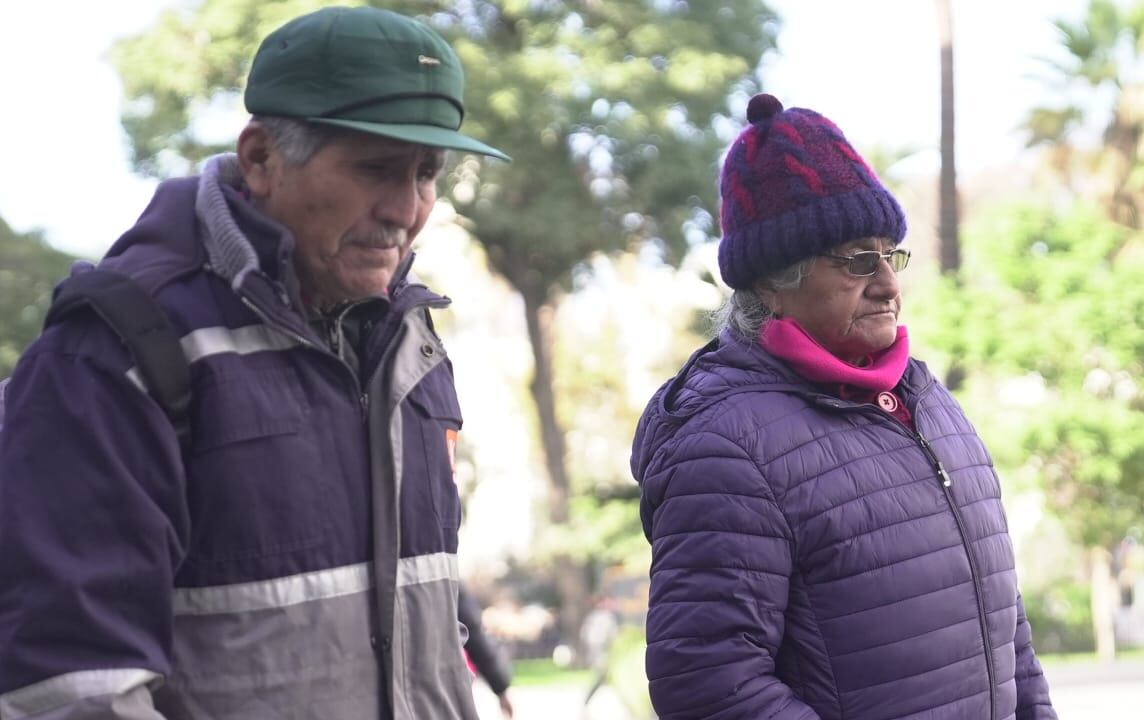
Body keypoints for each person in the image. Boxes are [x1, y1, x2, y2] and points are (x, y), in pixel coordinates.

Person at [0, 7, 508, 719]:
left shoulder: (411, 336)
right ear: (262, 158)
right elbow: (74, 688)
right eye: (376, 169)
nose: (407, 208)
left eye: (427, 173)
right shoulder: (111, 352)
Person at [630, 94, 1057, 720]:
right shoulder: (725, 444)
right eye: (858, 260)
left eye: (890, 254)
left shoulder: (928, 401)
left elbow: (1004, 625)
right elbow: (707, 685)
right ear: (774, 282)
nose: (888, 283)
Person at [459, 587, 516, 717]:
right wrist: (501, 689)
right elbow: (474, 633)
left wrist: (500, 686)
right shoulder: (445, 573)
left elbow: (474, 635)